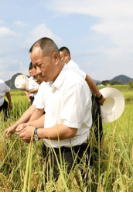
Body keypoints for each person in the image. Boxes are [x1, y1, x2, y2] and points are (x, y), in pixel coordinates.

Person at [16, 37, 92, 181]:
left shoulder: (73, 84)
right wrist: (29, 125)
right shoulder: (47, 84)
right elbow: (51, 115)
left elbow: (69, 129)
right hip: (52, 151)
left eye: (39, 65)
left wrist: (36, 133)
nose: (37, 72)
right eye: (34, 67)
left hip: (72, 154)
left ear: (55, 58)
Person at [59, 47, 104, 144]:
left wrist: (99, 96)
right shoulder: (69, 67)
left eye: (61, 57)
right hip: (84, 99)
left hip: (89, 99)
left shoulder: (71, 67)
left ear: (67, 56)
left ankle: (100, 151)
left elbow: (87, 77)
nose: (60, 60)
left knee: (96, 127)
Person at [4, 67, 45, 137]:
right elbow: (32, 110)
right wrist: (16, 127)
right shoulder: (43, 87)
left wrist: (29, 128)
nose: (35, 80)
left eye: (37, 76)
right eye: (33, 77)